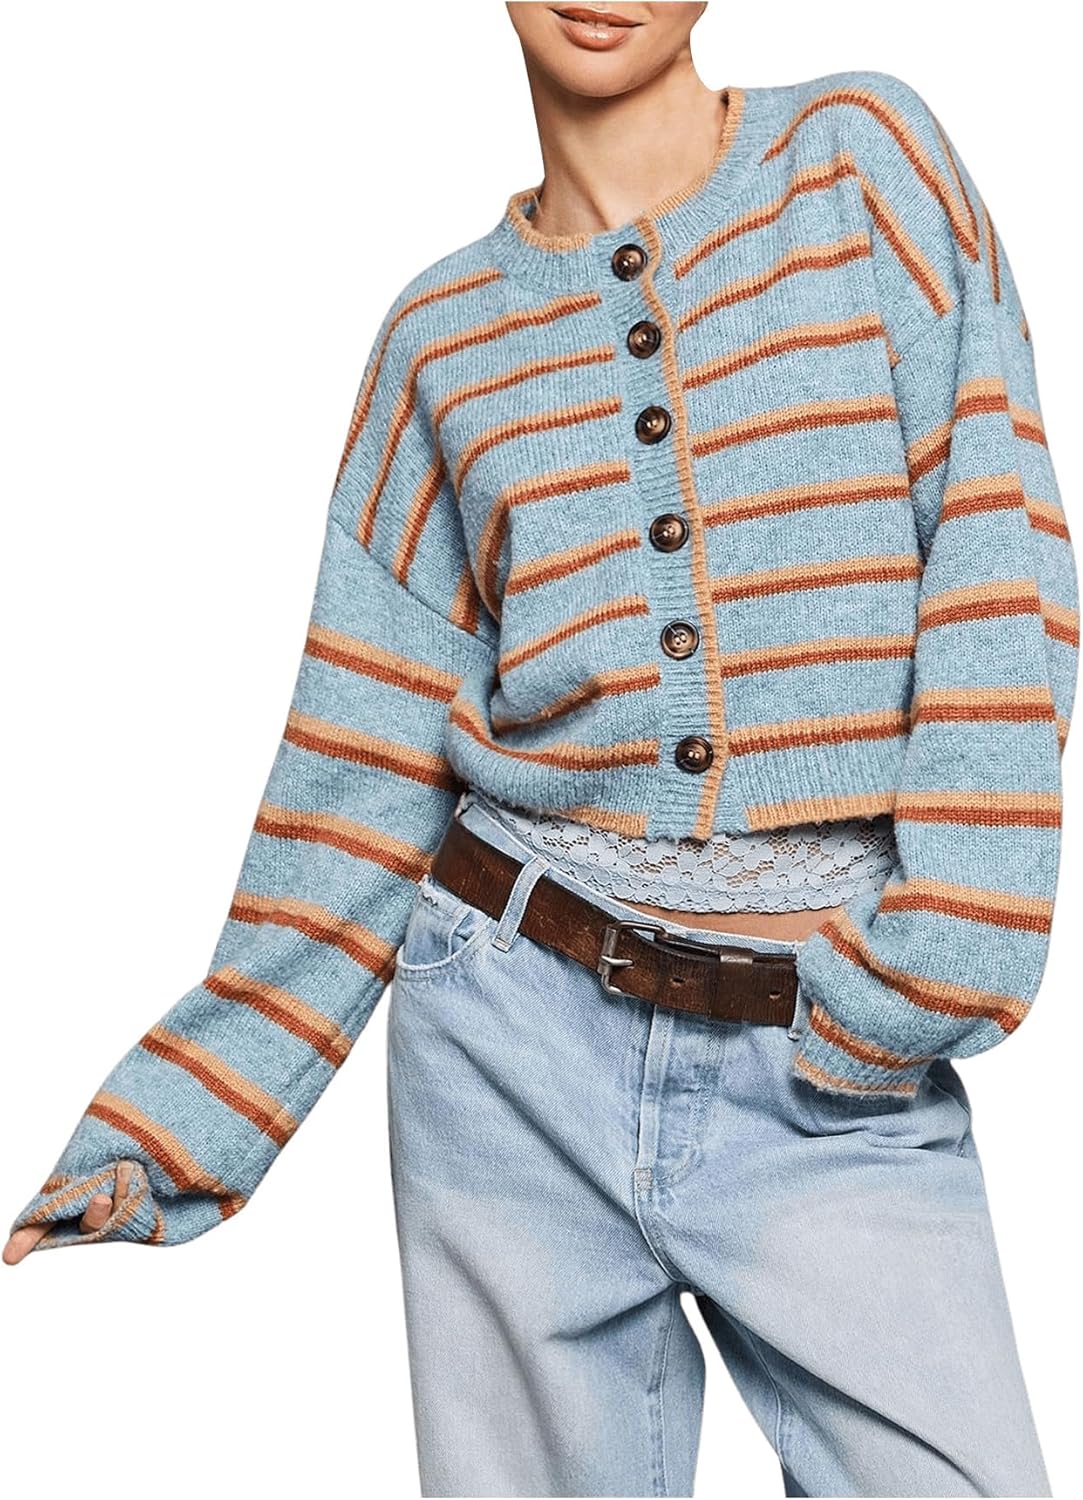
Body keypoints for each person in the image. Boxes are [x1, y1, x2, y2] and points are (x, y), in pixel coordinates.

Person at [6, 4, 1076, 1496]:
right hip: (509, 1048)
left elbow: (1000, 561)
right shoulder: (439, 340)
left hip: (829, 1039)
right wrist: (185, 1115)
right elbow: (360, 759)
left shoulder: (862, 164)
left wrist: (944, 953)